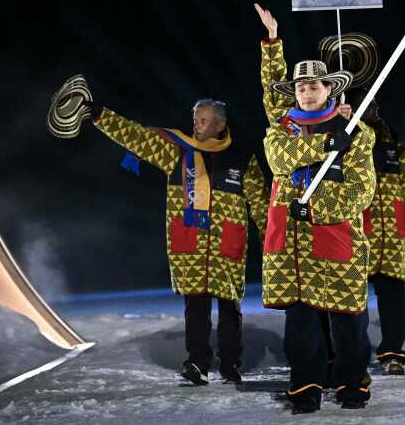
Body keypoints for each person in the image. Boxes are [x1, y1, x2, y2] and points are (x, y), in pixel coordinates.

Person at [47, 76, 267, 385]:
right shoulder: (176, 152)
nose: (197, 126)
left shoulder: (243, 159)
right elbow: (136, 137)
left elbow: (259, 202)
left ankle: (230, 365)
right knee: (196, 307)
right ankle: (197, 363)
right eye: (195, 120)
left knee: (230, 307)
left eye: (204, 121)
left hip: (226, 245)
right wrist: (98, 114)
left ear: (220, 125)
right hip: (190, 243)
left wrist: (271, 237)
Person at [261, 57, 377, 413]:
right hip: (291, 241)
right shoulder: (284, 126)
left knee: (347, 318)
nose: (306, 93)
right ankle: (306, 385)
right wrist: (272, 44)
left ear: (330, 89)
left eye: (314, 86)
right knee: (300, 320)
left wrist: (316, 210)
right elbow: (279, 160)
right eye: (300, 87)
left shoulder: (355, 132)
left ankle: (352, 383)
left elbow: (363, 190)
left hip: (337, 235)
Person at [343, 85, 405, 376]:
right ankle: (350, 354)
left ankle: (392, 353)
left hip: (393, 233)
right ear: (354, 108)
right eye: (369, 105)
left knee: (394, 295)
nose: (376, 109)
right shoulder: (341, 138)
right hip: (357, 229)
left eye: (376, 105)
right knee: (352, 298)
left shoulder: (392, 140)